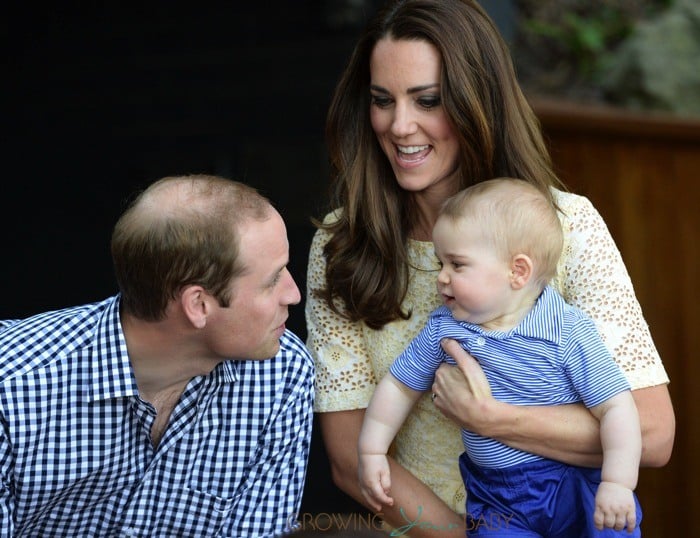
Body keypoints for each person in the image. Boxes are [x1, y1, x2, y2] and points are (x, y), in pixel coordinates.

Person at [305, 1, 674, 536]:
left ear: (478, 101)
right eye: (382, 100)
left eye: (427, 100)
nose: (399, 125)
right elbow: (348, 457)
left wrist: (489, 419)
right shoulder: (342, 244)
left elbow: (654, 434)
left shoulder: (567, 226)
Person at [0, 174, 315, 537]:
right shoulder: (12, 389)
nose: (293, 293)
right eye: (272, 280)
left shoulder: (282, 373)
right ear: (198, 305)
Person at [358, 178, 642, 536]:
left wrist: (618, 483)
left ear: (517, 271)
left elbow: (616, 406)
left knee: (612, 529)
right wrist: (372, 452)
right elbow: (399, 387)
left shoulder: (567, 331)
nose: (442, 277)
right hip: (498, 494)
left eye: (457, 265)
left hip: (576, 482)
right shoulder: (445, 328)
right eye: (440, 262)